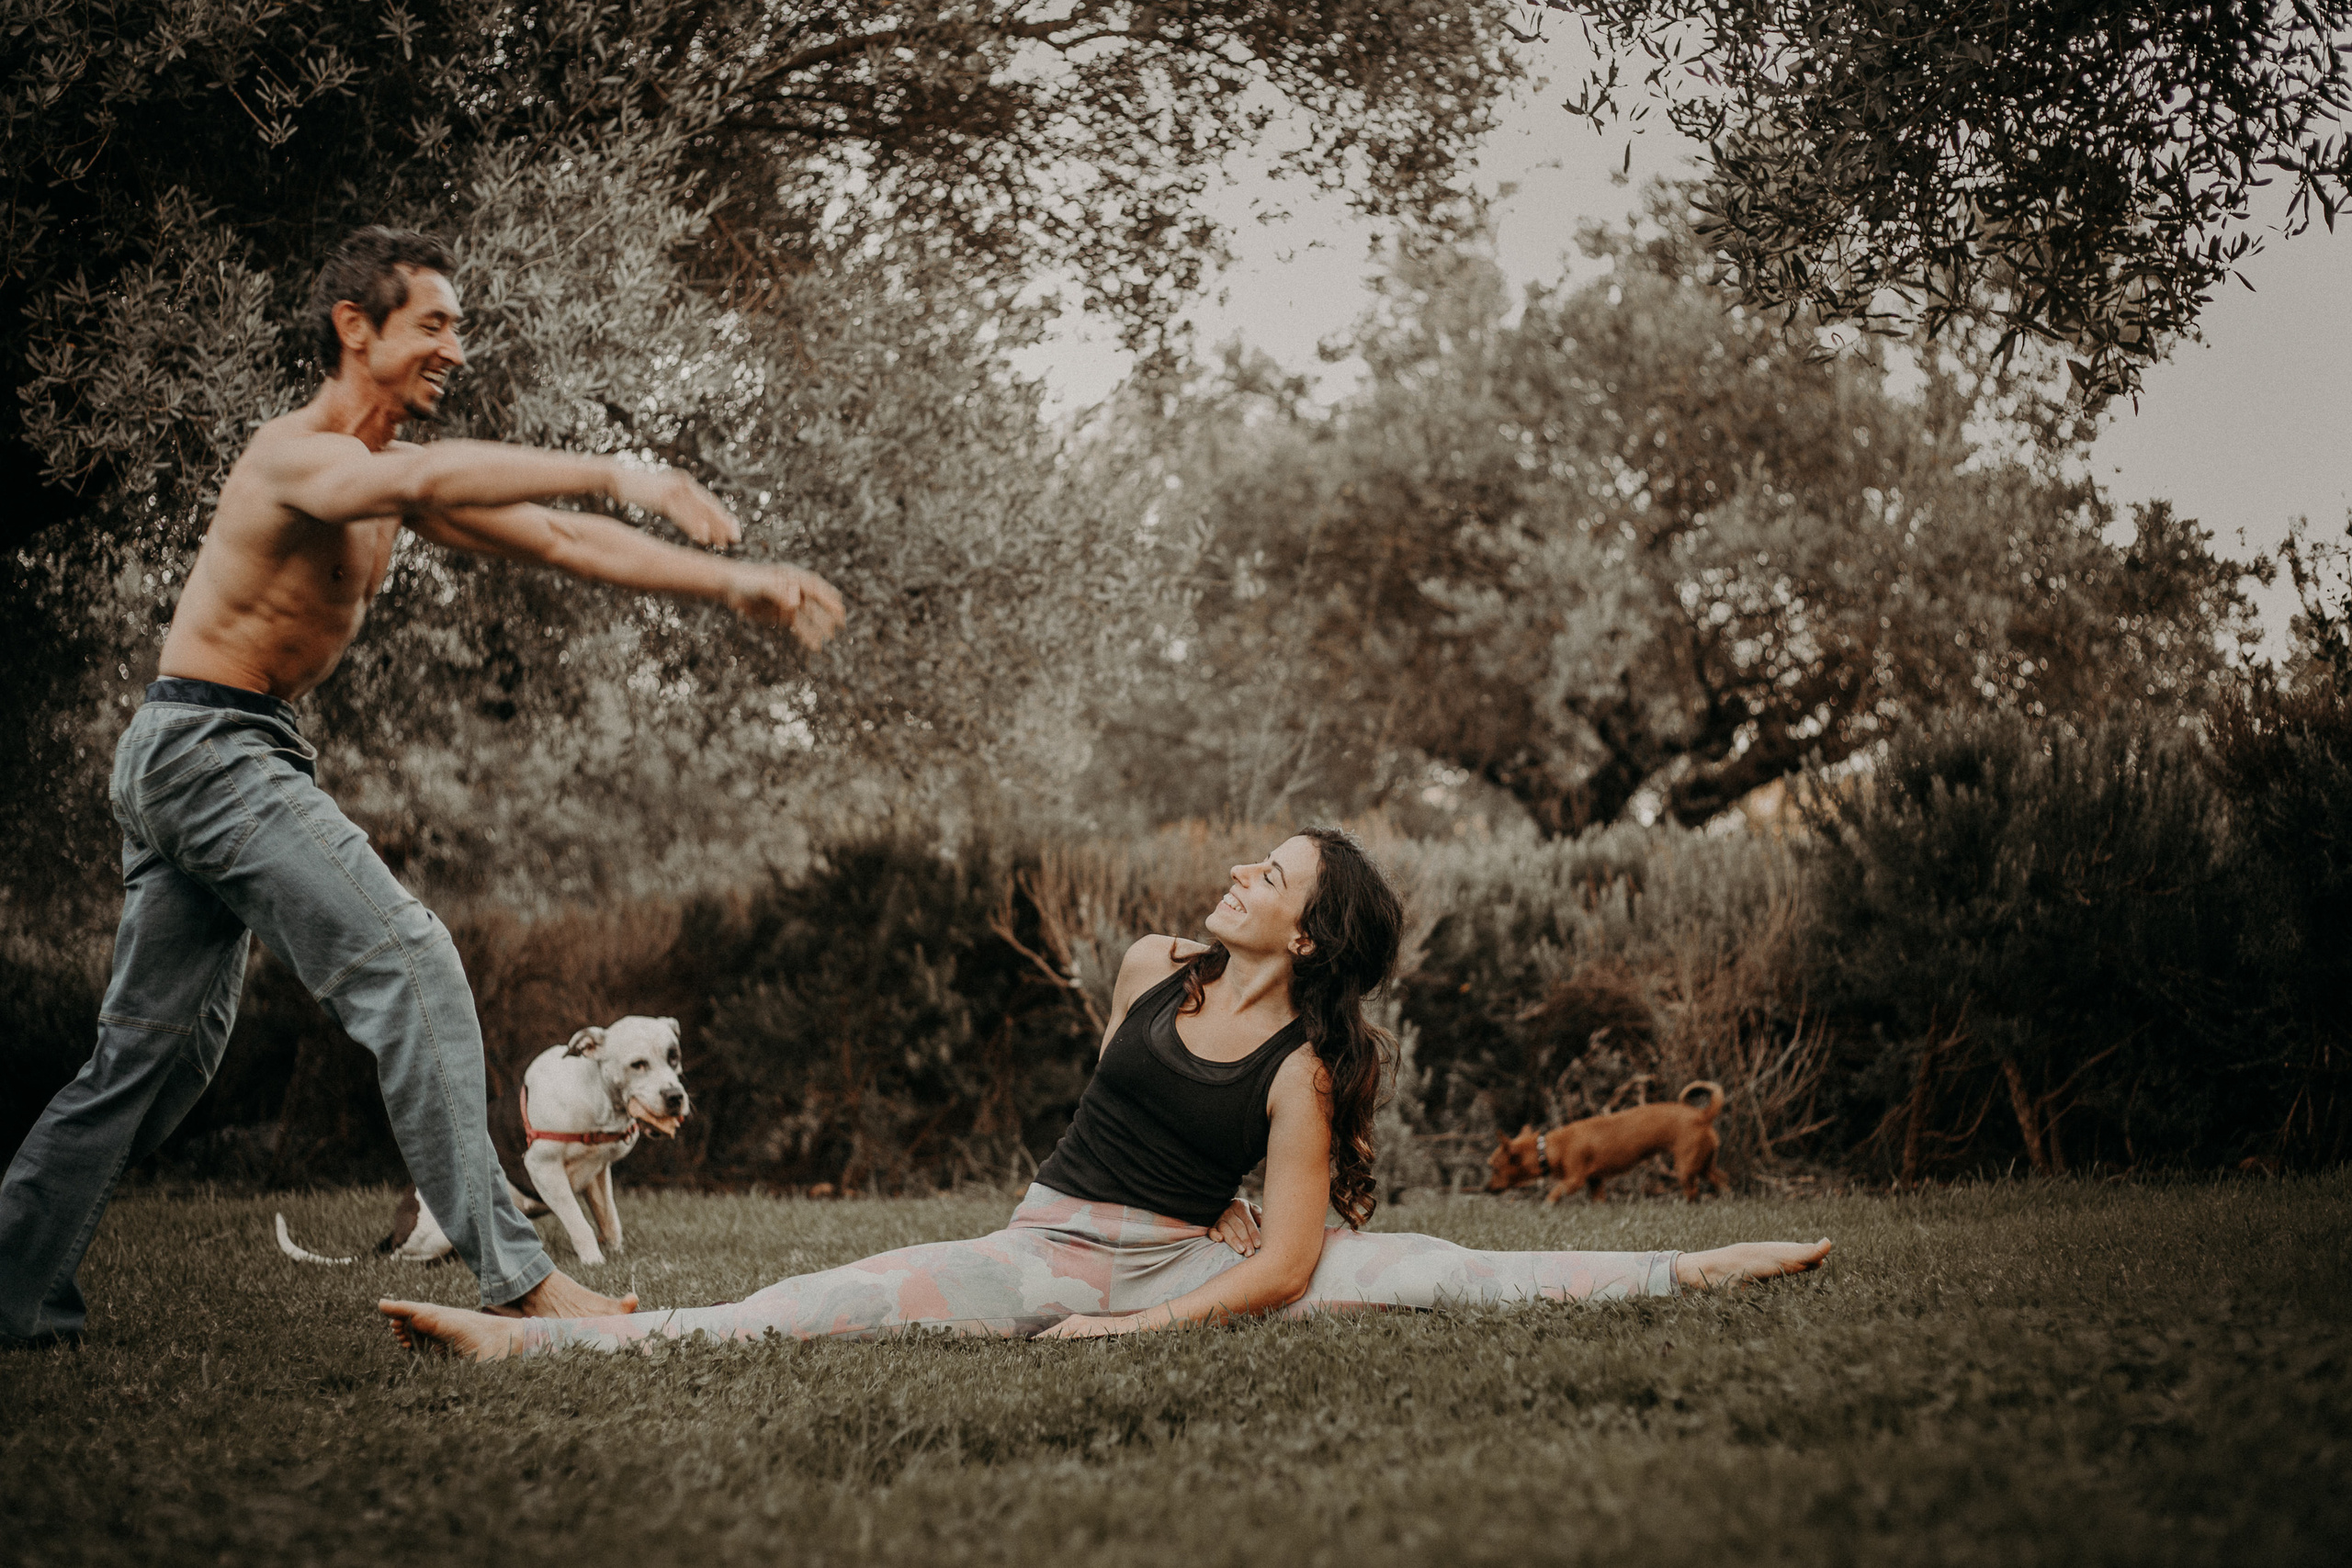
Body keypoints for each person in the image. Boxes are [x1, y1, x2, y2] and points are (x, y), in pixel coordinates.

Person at [0, 226, 846, 1348]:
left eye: (461, 326)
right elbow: (445, 476)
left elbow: (553, 536)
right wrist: (621, 466)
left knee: (154, 1058)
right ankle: (517, 1274)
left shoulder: (387, 481)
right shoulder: (298, 455)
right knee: (413, 963)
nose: (458, 346)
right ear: (358, 327)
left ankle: (13, 1292)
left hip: (206, 751)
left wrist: (731, 583)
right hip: (211, 748)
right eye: (433, 325)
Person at [380, 829, 1828, 1359]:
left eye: (1274, 875)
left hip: (1189, 1263)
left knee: (1448, 1272)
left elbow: (1283, 1261)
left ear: (1309, 935)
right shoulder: (1150, 964)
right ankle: (544, 1347)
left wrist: (1136, 1325)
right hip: (1045, 1239)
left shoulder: (1306, 1067)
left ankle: (1691, 1261)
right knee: (815, 1297)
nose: (1241, 875)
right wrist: (1077, 1298)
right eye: (1251, 862)